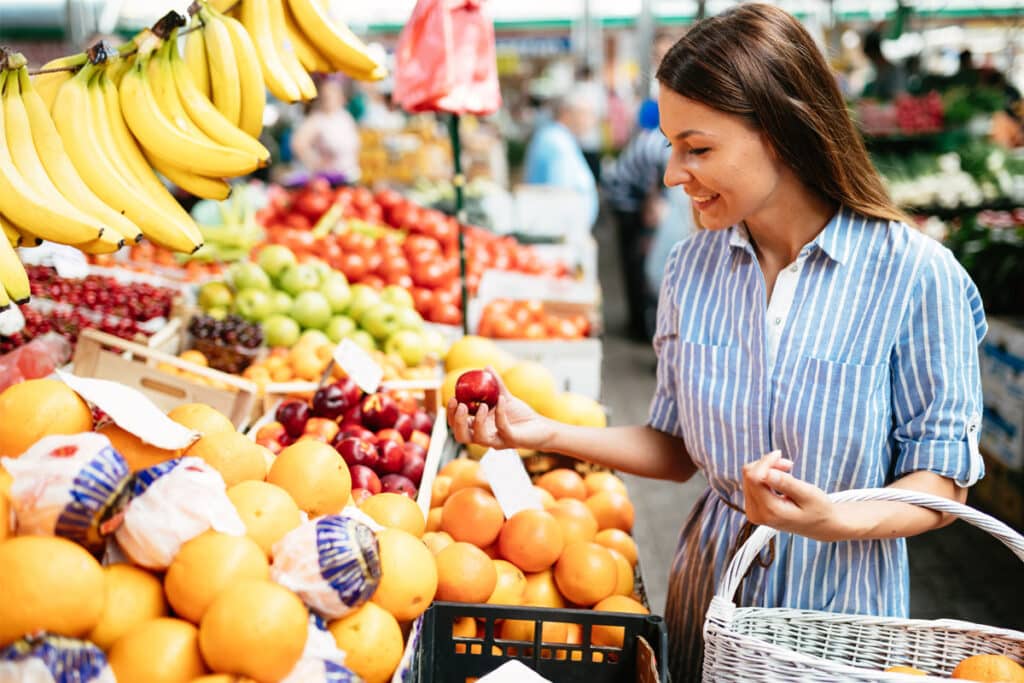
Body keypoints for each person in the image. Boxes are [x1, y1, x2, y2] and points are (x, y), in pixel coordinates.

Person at [448, 5, 987, 682]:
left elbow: (942, 480)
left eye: (697, 148)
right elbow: (674, 449)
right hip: (710, 593)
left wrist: (834, 520)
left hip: (839, 615)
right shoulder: (691, 268)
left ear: (785, 134)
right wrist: (541, 429)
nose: (673, 173)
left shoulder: (916, 276)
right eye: (672, 144)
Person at [603, 99, 672, 340]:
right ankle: (639, 327)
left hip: (632, 196)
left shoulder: (659, 139)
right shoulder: (660, 144)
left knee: (640, 262)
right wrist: (652, 215)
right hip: (625, 202)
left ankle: (639, 323)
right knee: (635, 261)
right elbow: (655, 189)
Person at [522, 91, 600, 229]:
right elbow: (561, 197)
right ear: (567, 113)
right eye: (586, 114)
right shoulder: (556, 142)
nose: (591, 121)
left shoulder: (559, 138)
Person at [289, 77, 361, 182]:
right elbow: (298, 144)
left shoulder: (346, 117)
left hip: (350, 176)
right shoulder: (317, 119)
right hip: (329, 180)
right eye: (327, 95)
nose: (330, 98)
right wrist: (315, 161)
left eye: (333, 94)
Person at [862, 29, 907, 100]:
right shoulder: (878, 70)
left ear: (875, 53)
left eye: (871, 56)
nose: (871, 60)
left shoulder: (894, 71)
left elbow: (899, 96)